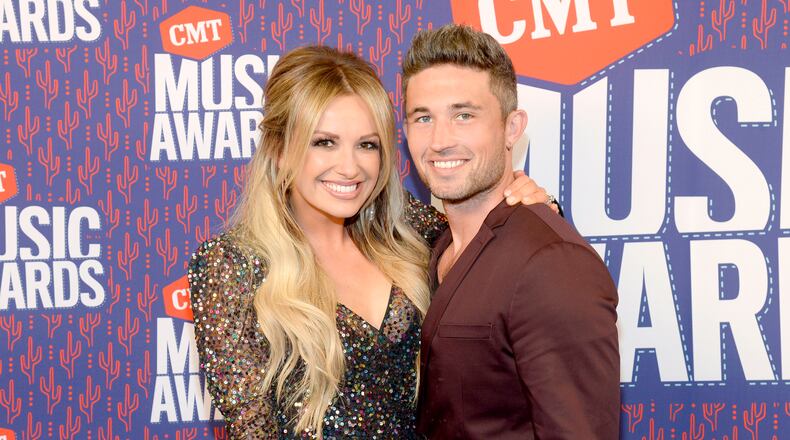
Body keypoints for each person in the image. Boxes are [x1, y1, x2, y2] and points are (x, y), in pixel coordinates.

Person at [187, 45, 551, 439]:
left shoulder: (408, 229)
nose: (350, 167)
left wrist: (535, 207)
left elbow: (499, 249)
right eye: (323, 142)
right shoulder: (230, 263)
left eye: (367, 144)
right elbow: (252, 427)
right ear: (278, 148)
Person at [402, 25, 620, 439]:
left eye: (463, 115)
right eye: (423, 117)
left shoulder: (551, 264)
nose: (440, 140)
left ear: (512, 127)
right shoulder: (433, 241)